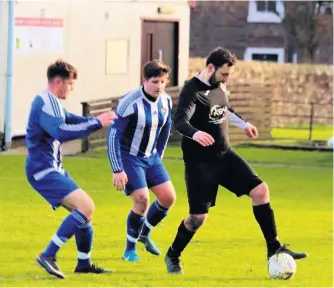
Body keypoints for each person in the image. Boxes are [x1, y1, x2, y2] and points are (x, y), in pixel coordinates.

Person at [164, 47, 308, 274]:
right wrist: (195, 133)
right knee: (198, 218)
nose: (227, 79)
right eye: (224, 74)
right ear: (210, 68)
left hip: (225, 156)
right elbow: (180, 121)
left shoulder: (220, 86)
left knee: (261, 191)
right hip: (199, 164)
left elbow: (225, 110)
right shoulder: (191, 90)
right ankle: (173, 255)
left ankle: (274, 248)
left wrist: (245, 124)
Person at [25, 59, 117, 279]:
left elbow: (70, 119)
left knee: (84, 214)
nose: (72, 89)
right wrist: (97, 123)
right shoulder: (46, 102)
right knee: (86, 207)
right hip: (43, 170)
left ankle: (83, 264)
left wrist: (98, 120)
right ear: (59, 82)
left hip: (52, 167)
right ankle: (48, 255)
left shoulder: (51, 101)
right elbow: (62, 132)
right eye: (71, 85)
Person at [107, 59, 176, 262]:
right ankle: (130, 250)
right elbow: (113, 135)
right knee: (142, 200)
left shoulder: (166, 101)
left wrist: (159, 158)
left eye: (162, 82)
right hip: (129, 157)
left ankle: (145, 232)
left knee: (168, 199)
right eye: (155, 81)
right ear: (144, 80)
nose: (159, 86)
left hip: (151, 157)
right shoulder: (130, 102)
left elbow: (166, 129)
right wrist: (117, 169)